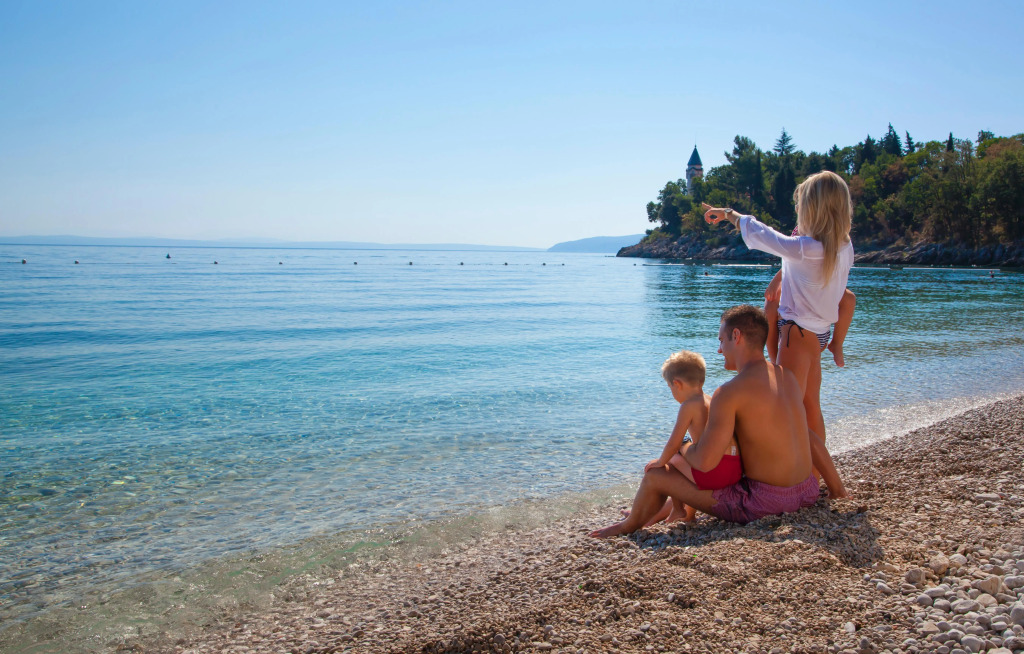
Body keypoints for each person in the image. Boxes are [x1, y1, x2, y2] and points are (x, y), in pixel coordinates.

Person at [590, 305, 846, 537]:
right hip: (806, 491)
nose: (719, 349)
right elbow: (810, 438)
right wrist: (836, 489)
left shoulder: (730, 392)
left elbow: (705, 461)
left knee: (656, 474)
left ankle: (628, 526)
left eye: (721, 340)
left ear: (737, 336)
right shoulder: (785, 376)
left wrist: (682, 446)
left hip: (767, 503)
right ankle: (665, 509)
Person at [702, 170, 854, 445]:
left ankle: (799, 465)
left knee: (790, 410)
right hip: (819, 334)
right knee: (810, 406)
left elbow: (764, 235)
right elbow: (807, 267)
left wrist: (729, 214)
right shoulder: (843, 246)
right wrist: (780, 277)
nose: (796, 209)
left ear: (812, 209)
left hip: (797, 334)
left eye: (800, 204)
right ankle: (817, 468)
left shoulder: (805, 248)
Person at [638, 350, 741, 525]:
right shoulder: (710, 399)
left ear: (677, 384)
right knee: (689, 453)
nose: (672, 392)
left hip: (715, 475)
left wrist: (660, 462)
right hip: (733, 470)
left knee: (673, 460)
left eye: (670, 387)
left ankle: (678, 508)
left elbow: (674, 443)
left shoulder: (688, 406)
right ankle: (688, 515)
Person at [764, 270, 856, 367]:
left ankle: (837, 343)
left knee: (849, 298)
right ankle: (774, 359)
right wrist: (775, 282)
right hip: (796, 330)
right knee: (771, 298)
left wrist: (775, 282)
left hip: (813, 331)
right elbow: (789, 264)